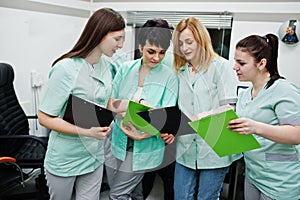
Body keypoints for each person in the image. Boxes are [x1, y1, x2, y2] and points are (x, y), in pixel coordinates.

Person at [37, 8, 125, 200]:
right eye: (117, 38)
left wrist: (127, 107)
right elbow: (44, 117)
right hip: (65, 158)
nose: (121, 45)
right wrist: (86, 132)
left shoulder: (107, 66)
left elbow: (104, 101)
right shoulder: (65, 69)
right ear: (101, 34)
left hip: (93, 156)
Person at [105, 19, 178, 200]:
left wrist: (141, 131)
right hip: (117, 141)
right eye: (151, 51)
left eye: (162, 53)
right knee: (135, 193)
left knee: (117, 194)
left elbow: (163, 117)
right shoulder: (125, 69)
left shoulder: (170, 77)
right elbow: (111, 103)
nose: (156, 58)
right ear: (140, 47)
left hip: (146, 145)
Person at [172, 17, 242, 200]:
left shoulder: (222, 67)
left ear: (201, 40)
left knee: (207, 198)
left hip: (214, 147)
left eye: (189, 42)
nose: (184, 48)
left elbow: (229, 107)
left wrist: (200, 117)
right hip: (186, 146)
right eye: (180, 43)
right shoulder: (180, 70)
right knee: (181, 196)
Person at [228, 33, 300, 200]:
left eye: (241, 63)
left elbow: (297, 134)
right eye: (235, 61)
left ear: (261, 63)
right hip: (254, 174)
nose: (235, 67)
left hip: (281, 180)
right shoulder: (245, 94)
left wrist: (255, 127)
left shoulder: (284, 90)